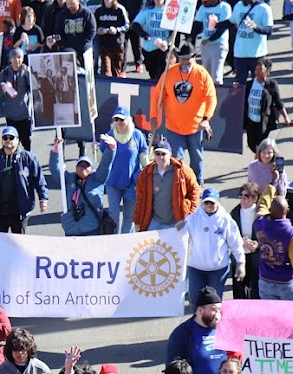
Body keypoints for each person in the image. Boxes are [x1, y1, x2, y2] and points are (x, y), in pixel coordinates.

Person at [151, 41, 216, 183]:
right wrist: (154, 115)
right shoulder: (169, 73)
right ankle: (177, 186)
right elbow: (157, 96)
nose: (185, 62)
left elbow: (211, 98)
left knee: (197, 160)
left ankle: (197, 185)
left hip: (196, 127)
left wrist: (206, 119)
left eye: (188, 58)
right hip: (174, 127)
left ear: (194, 57)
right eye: (182, 58)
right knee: (176, 160)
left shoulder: (202, 74)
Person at [92, 107, 148, 234]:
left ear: (128, 120)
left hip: (131, 184)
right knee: (113, 215)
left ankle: (126, 243)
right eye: (116, 119)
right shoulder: (109, 136)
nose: (119, 122)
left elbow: (143, 155)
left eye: (121, 119)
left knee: (129, 216)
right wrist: (95, 150)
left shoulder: (137, 135)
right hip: (113, 183)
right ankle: (115, 242)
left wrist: (147, 173)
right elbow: (101, 159)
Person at [184, 189, 246, 300]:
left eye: (212, 203)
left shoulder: (226, 220)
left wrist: (241, 263)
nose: (209, 206)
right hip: (196, 268)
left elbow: (236, 242)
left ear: (218, 202)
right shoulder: (192, 219)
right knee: (194, 300)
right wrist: (178, 230)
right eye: (206, 203)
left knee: (215, 301)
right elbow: (180, 238)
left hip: (218, 269)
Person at [165, 288, 228, 374]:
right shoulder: (182, 334)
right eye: (213, 310)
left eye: (219, 310)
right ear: (200, 310)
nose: (218, 315)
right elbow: (173, 371)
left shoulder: (226, 328)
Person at [134, 135, 200, 231]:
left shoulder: (182, 171)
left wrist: (190, 216)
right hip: (154, 222)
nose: (160, 157)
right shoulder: (146, 174)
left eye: (163, 154)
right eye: (157, 153)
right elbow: (140, 199)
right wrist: (137, 221)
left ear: (170, 154)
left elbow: (194, 192)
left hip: (177, 222)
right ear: (153, 155)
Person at [253, 196, 293, 302]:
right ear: (287, 210)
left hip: (265, 281)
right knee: (292, 316)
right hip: (287, 283)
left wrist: (272, 184)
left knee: (271, 317)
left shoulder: (259, 222)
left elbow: (262, 204)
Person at [241, 58, 291, 153]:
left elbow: (278, 102)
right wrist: (236, 87)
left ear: (267, 71)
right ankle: (262, 158)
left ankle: (263, 159)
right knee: (251, 143)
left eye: (260, 70)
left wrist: (286, 118)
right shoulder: (249, 84)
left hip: (264, 121)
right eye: (256, 70)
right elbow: (240, 97)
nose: (257, 72)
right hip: (251, 120)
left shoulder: (271, 85)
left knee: (261, 144)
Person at [229, 0, 272, 86]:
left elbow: (269, 30)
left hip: (257, 55)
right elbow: (231, 22)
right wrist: (217, 24)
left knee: (258, 84)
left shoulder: (264, 8)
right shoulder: (238, 5)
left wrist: (256, 27)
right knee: (240, 86)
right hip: (240, 54)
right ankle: (242, 100)